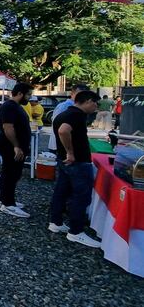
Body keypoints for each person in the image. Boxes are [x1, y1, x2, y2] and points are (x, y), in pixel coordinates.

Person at [49, 90, 102, 248]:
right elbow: (63, 131)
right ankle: (76, 232)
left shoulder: (64, 113)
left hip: (64, 161)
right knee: (81, 196)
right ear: (88, 101)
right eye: (95, 103)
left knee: (61, 191)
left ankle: (56, 222)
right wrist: (70, 152)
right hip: (77, 162)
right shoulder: (76, 115)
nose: (96, 107)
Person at [0, 82, 33, 218]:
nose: (29, 98)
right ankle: (8, 204)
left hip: (13, 145)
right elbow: (8, 127)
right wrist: (16, 146)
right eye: (28, 94)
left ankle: (5, 199)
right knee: (11, 173)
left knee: (11, 173)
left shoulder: (15, 106)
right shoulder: (9, 107)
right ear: (20, 93)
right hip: (10, 146)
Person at [49, 84, 89, 151]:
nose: (81, 97)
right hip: (61, 146)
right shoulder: (64, 107)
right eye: (78, 94)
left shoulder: (77, 107)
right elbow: (59, 127)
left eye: (84, 95)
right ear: (72, 93)